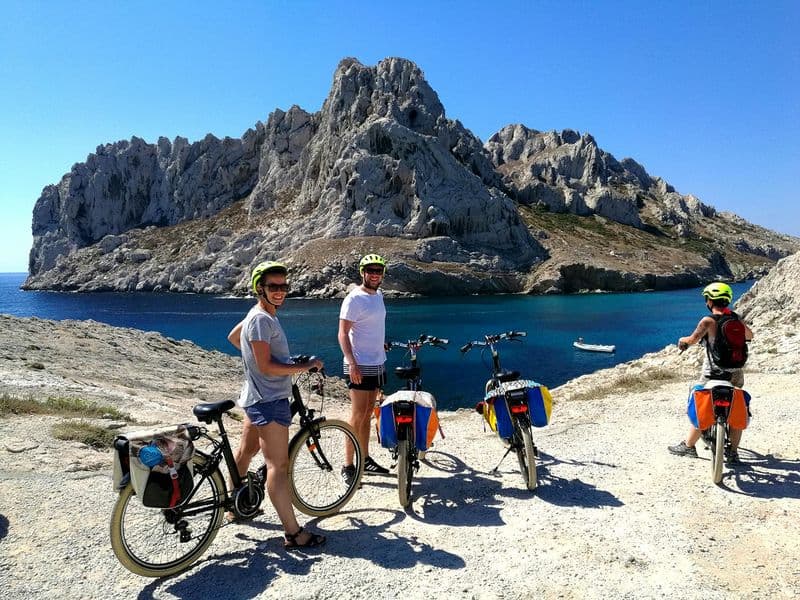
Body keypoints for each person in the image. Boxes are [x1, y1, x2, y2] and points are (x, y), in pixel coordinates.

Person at [228, 260, 326, 548]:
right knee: (278, 466)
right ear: (260, 288)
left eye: (284, 286)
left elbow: (234, 338)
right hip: (269, 400)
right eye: (274, 286)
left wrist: (258, 361)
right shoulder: (261, 319)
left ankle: (235, 503)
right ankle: (294, 534)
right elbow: (267, 366)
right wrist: (304, 366)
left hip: (254, 397)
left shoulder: (258, 315)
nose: (281, 291)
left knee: (247, 451)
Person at [668, 282, 753, 464]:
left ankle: (688, 447)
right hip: (735, 373)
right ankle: (733, 452)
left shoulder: (708, 321)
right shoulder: (736, 319)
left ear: (709, 301)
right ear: (727, 300)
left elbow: (692, 339)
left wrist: (682, 341)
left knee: (702, 403)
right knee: (735, 407)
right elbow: (750, 336)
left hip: (712, 373)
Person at [338, 253, 390, 485]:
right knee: (357, 416)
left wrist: (381, 344)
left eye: (378, 271)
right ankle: (348, 465)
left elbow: (371, 327)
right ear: (362, 272)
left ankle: (365, 459)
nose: (374, 274)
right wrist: (351, 362)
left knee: (369, 414)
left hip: (377, 361)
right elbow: (342, 333)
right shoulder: (354, 298)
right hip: (360, 364)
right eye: (370, 270)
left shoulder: (378, 295)